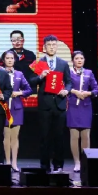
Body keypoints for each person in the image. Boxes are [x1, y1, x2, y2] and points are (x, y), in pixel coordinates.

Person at [31, 35, 72, 172]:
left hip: (60, 104)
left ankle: (58, 165)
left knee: (59, 136)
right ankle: (45, 165)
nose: (52, 47)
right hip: (45, 104)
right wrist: (40, 76)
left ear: (57, 46)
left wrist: (67, 90)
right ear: (44, 47)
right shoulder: (39, 63)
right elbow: (31, 82)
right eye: (49, 45)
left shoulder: (63, 63)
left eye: (54, 45)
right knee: (44, 137)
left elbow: (69, 82)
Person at [1, 50, 33, 172]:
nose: (9, 60)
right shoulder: (0, 73)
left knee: (15, 137)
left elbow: (28, 90)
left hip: (16, 108)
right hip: (4, 107)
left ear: (14, 60)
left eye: (11, 58)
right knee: (6, 136)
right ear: (3, 60)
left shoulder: (19, 74)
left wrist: (19, 93)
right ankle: (7, 162)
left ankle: (14, 163)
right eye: (7, 58)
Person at [67, 51, 98, 172]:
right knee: (74, 135)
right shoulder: (68, 72)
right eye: (77, 58)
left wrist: (88, 93)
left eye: (81, 58)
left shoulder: (89, 73)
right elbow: (64, 86)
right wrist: (75, 92)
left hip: (86, 106)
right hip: (72, 106)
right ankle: (77, 162)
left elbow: (96, 89)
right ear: (72, 60)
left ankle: (85, 162)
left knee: (85, 136)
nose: (79, 60)